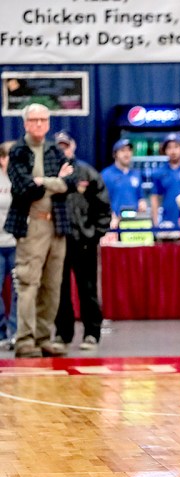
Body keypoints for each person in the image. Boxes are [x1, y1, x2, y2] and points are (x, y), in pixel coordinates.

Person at [5, 104, 75, 358]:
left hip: (57, 223)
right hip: (31, 223)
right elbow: (25, 188)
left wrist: (44, 182)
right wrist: (55, 182)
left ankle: (45, 337)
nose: (38, 124)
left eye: (43, 120)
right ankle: (25, 338)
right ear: (25, 123)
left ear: (48, 123)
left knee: (52, 284)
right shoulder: (18, 152)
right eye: (33, 120)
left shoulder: (55, 150)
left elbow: (70, 182)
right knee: (28, 282)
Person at [52, 131, 111, 352]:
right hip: (58, 241)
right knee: (59, 290)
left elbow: (103, 206)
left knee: (88, 291)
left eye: (66, 146)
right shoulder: (51, 173)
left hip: (84, 242)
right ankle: (62, 333)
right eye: (59, 146)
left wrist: (95, 234)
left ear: (73, 147)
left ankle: (91, 334)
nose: (63, 150)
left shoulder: (87, 172)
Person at [102, 139, 146, 227]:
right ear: (115, 154)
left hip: (134, 223)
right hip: (114, 223)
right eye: (122, 150)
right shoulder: (106, 174)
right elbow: (102, 200)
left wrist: (142, 203)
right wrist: (111, 216)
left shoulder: (136, 174)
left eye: (129, 150)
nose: (126, 154)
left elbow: (140, 197)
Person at [0, 141, 18, 350]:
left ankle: (15, 332)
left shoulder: (20, 177)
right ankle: (1, 332)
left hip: (16, 242)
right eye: (7, 157)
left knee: (17, 290)